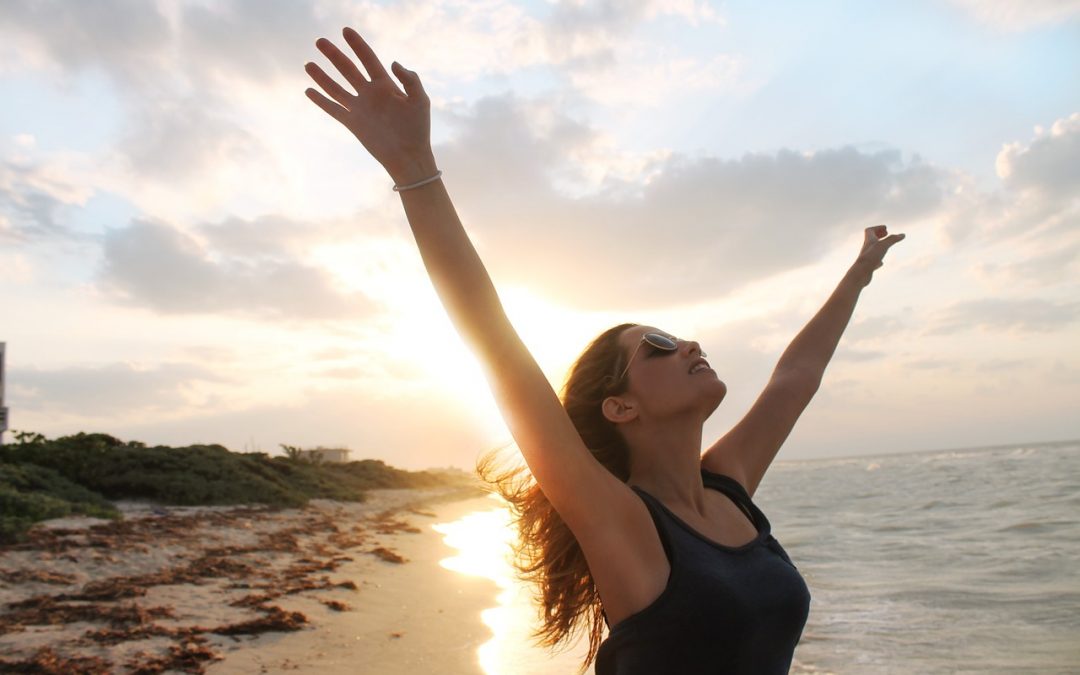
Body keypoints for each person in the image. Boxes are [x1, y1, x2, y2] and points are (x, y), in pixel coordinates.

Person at [305, 27, 905, 675]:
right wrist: (415, 170)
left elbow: (796, 377)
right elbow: (496, 345)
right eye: (658, 348)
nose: (688, 345)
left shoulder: (728, 491)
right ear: (618, 406)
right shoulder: (621, 519)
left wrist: (859, 273)